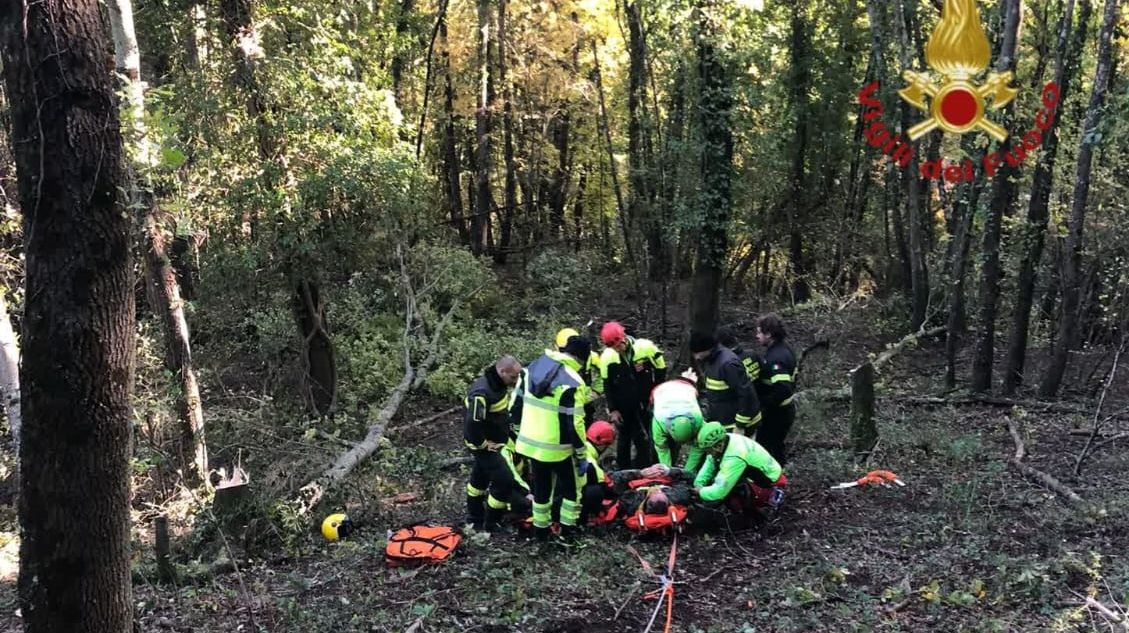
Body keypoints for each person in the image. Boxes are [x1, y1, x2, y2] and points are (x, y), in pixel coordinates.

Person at [511, 336, 593, 540]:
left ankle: (541, 533)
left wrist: (520, 431)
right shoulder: (574, 381)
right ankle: (568, 533)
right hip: (559, 449)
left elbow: (515, 405)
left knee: (542, 489)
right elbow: (575, 423)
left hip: (530, 445)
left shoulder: (532, 368)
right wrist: (581, 454)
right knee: (573, 491)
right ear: (583, 357)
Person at [464, 356, 523, 531]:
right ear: (502, 371)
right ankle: (491, 523)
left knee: (479, 480)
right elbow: (472, 423)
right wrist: (482, 444)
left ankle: (474, 519)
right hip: (486, 447)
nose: (515, 381)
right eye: (513, 377)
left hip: (496, 442)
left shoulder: (498, 384)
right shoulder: (482, 393)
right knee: (504, 481)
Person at [691, 422, 786, 527]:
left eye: (708, 450)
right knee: (719, 479)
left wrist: (700, 492)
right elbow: (709, 464)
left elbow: (719, 492)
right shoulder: (726, 440)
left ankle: (751, 519)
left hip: (770, 483)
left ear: (718, 446)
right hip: (761, 475)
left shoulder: (734, 457)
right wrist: (698, 483)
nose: (708, 453)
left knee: (730, 489)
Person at [599, 321, 666, 469]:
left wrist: (658, 391)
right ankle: (624, 468)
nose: (617, 348)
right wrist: (613, 409)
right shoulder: (607, 357)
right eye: (611, 345)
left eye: (617, 343)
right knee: (625, 436)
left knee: (653, 433)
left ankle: (653, 464)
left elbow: (661, 368)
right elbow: (607, 385)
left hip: (647, 399)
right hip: (623, 403)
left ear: (623, 337)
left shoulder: (645, 347)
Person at [689, 330, 761, 436]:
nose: (696, 357)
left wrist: (740, 425)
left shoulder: (728, 364)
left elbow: (747, 394)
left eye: (697, 353)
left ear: (707, 349)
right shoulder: (711, 360)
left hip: (739, 426)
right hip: (726, 423)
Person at [753, 314, 797, 464]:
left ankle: (772, 482)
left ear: (769, 334)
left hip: (778, 414)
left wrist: (763, 403)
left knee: (767, 448)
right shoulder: (781, 349)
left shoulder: (776, 358)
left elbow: (783, 389)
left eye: (759, 332)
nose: (756, 336)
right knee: (775, 447)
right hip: (780, 411)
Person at [648, 370, 708, 476]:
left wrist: (687, 473)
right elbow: (662, 448)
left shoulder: (698, 420)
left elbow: (698, 447)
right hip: (659, 391)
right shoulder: (659, 420)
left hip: (688, 389)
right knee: (659, 446)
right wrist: (668, 473)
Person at [555, 327, 603, 425]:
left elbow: (604, 371)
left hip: (585, 403)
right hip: (566, 405)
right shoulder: (555, 361)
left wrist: (596, 390)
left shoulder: (591, 356)